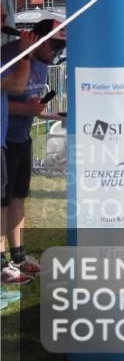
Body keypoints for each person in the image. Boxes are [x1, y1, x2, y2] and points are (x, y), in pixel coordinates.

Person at [1, 19, 64, 283]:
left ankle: (18, 256)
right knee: (2, 203)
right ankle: (3, 264)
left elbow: (30, 103)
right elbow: (9, 95)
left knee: (17, 198)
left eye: (61, 48)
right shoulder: (10, 55)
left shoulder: (41, 62)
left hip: (21, 138)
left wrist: (51, 114)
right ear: (37, 38)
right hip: (6, 140)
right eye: (54, 45)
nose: (56, 53)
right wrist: (26, 54)